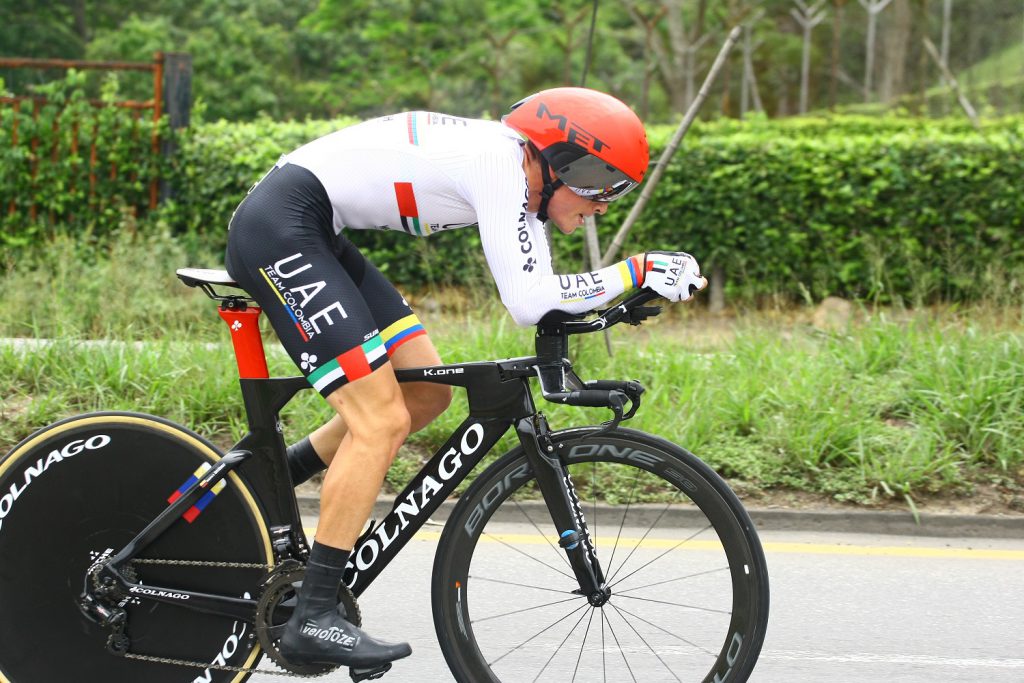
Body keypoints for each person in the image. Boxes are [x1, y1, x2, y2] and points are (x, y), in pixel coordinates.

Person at [223, 87, 707, 668]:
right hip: (281, 227)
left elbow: (547, 297)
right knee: (380, 421)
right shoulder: (499, 163)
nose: (605, 204)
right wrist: (638, 269)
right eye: (604, 185)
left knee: (425, 393)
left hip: (314, 229)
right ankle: (314, 614)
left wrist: (623, 296)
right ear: (563, 162)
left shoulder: (522, 183)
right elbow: (529, 302)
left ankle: (265, 482)